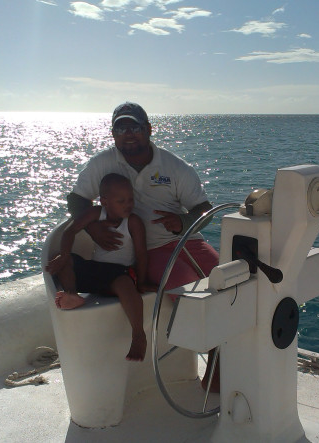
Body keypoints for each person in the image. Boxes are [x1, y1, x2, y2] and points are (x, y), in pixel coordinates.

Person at [66, 102, 220, 391]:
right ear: (113, 134)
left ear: (149, 129)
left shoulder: (174, 166)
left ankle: (228, 351)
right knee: (192, 295)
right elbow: (76, 200)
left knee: (229, 281)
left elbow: (204, 209)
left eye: (134, 127)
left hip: (188, 241)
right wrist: (92, 228)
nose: (128, 134)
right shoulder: (102, 163)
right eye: (120, 128)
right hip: (148, 250)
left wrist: (183, 221)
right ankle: (216, 363)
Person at [46, 173, 155, 362]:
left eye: (130, 199)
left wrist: (142, 281)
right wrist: (63, 255)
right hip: (96, 269)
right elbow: (70, 231)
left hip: (119, 273)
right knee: (64, 260)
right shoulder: (95, 213)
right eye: (121, 201)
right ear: (105, 202)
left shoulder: (133, 222)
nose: (128, 204)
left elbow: (141, 254)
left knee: (125, 284)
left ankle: (138, 334)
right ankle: (72, 294)